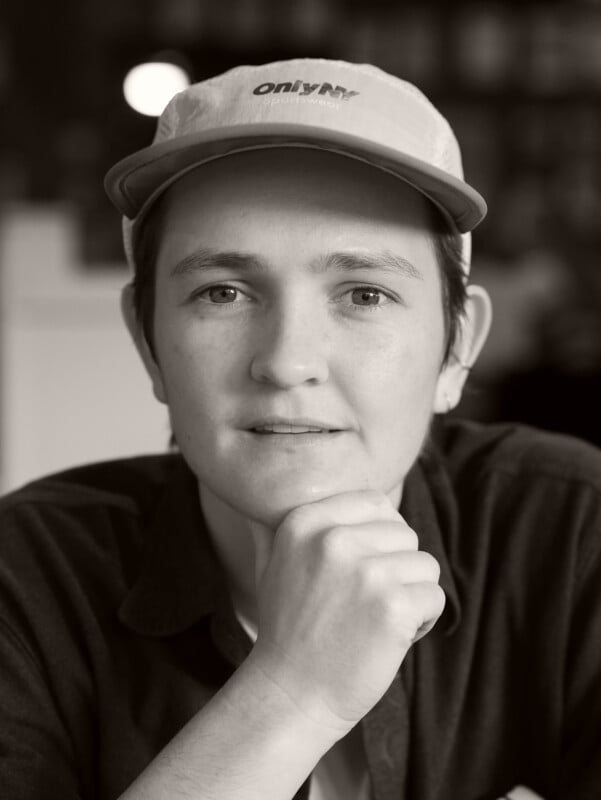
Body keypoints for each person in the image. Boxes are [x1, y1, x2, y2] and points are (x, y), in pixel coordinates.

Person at [1, 59, 600, 800]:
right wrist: (291, 691)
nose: (287, 362)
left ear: (456, 350)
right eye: (222, 292)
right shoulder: (24, 579)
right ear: (146, 342)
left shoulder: (576, 533)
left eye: (364, 294)